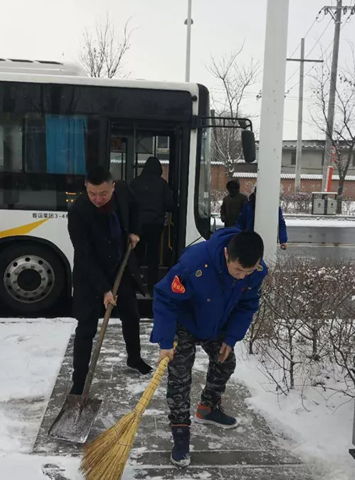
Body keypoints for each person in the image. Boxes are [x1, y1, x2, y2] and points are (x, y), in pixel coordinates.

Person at [151, 228, 267, 467]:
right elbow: (165, 297)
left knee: (226, 362)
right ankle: (180, 433)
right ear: (226, 255)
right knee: (180, 376)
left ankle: (207, 408)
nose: (242, 277)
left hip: (216, 322)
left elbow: (247, 304)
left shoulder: (256, 271)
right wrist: (165, 342)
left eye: (248, 271)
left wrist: (231, 337)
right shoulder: (195, 263)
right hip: (185, 321)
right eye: (238, 270)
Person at [67, 166, 153, 395]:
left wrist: (134, 231)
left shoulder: (123, 192)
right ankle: (79, 383)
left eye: (103, 194)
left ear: (113, 187)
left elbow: (135, 208)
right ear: (86, 188)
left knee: (131, 315)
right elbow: (84, 256)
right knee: (86, 327)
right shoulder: (78, 213)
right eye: (92, 193)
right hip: (90, 275)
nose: (97, 199)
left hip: (119, 267)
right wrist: (105, 290)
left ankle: (134, 358)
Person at [129, 156, 175, 296]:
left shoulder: (135, 183)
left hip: (138, 224)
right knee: (153, 256)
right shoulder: (162, 184)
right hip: (155, 224)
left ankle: (135, 285)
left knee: (137, 255)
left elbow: (129, 203)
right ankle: (152, 286)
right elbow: (170, 204)